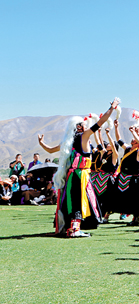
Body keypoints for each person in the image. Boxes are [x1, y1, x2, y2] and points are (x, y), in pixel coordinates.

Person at [37, 99, 118, 237]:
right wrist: (112, 108)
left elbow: (50, 150)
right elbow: (100, 122)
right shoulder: (84, 136)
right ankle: (75, 229)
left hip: (71, 176)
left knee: (72, 199)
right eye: (84, 125)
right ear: (79, 127)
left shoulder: (68, 142)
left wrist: (41, 143)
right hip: (81, 176)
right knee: (80, 200)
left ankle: (71, 227)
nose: (86, 126)